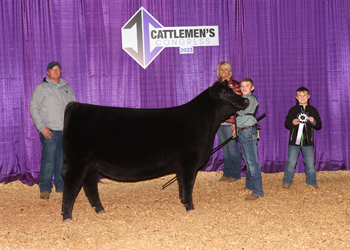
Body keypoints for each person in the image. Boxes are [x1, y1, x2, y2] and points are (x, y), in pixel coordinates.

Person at [30, 61, 76, 199]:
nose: (56, 71)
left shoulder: (66, 88)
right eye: (53, 69)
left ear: (61, 72)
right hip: (49, 130)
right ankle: (45, 188)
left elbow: (74, 108)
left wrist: (73, 127)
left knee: (63, 160)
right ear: (48, 72)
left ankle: (61, 186)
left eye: (58, 69)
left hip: (65, 131)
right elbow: (34, 108)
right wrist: (41, 127)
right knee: (48, 160)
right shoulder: (41, 88)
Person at [282, 87, 322, 189]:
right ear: (296, 97)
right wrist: (292, 122)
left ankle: (312, 182)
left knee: (310, 163)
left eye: (304, 95)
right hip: (294, 142)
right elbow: (286, 123)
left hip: (308, 142)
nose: (302, 97)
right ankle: (287, 181)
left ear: (309, 97)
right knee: (291, 162)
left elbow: (319, 126)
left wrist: (314, 121)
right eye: (300, 95)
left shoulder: (313, 110)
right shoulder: (292, 110)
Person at [235, 78, 264, 200]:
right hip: (242, 131)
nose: (243, 88)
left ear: (252, 88)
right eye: (241, 86)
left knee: (252, 162)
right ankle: (249, 185)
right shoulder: (242, 100)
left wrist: (234, 103)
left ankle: (257, 191)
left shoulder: (251, 99)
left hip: (248, 130)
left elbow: (242, 112)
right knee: (247, 160)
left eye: (247, 85)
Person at [214, 62, 242, 182]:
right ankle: (227, 172)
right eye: (221, 69)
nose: (223, 71)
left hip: (231, 121)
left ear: (229, 71)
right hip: (219, 121)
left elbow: (238, 105)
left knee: (232, 148)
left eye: (226, 69)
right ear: (218, 71)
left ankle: (235, 174)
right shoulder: (216, 85)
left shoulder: (235, 85)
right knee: (225, 148)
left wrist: (236, 122)